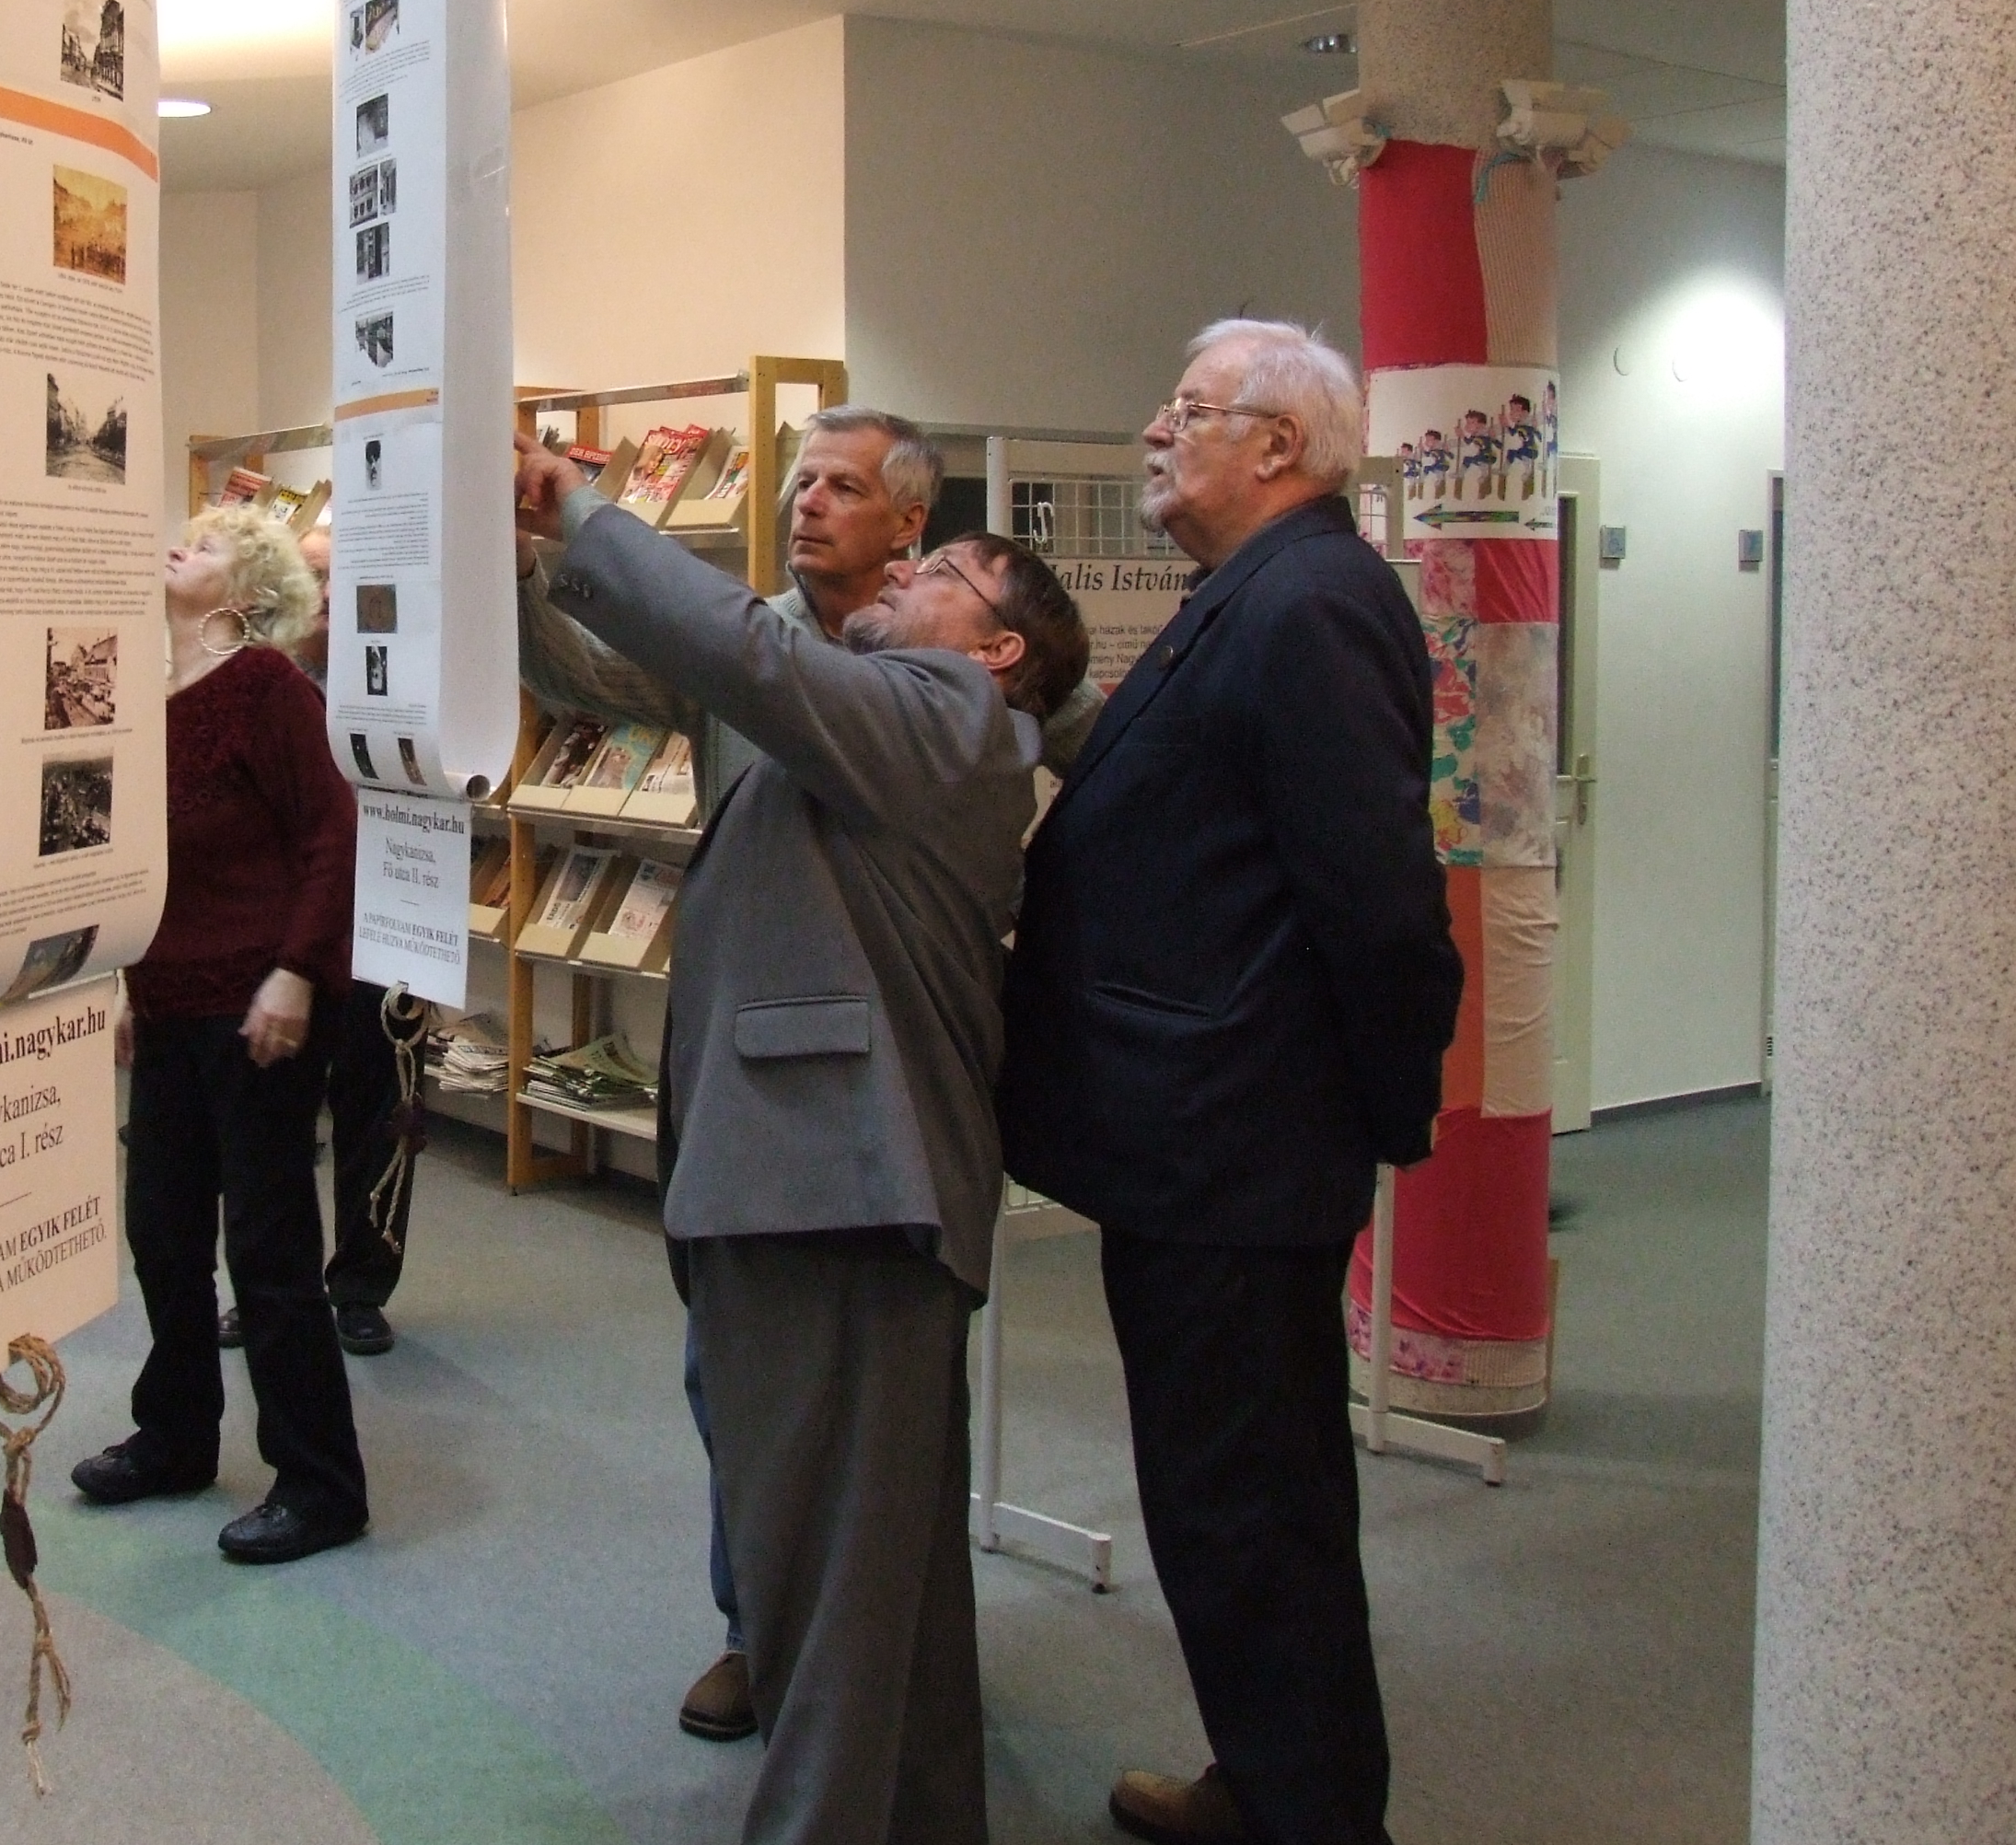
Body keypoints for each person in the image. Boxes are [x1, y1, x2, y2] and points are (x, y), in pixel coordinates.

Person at [512, 427, 1088, 1845]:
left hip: (840, 1186)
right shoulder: (901, 708)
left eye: (937, 571)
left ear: (996, 651)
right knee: (878, 1564)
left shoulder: (946, 717)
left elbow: (755, 660)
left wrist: (577, 506)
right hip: (816, 1180)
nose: (894, 574)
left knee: (818, 1581)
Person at [1002, 320, 1464, 1845]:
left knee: (1253, 1509)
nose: (1155, 429)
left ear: (1279, 446)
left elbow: (1379, 903)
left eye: (1189, 411)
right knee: (1225, 1499)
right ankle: (1267, 1783)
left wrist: (1375, 1110)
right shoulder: (1253, 594)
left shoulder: (1310, 603)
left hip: (1237, 1148)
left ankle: (1309, 1815)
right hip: (1200, 1140)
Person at [516, 404, 939, 1741]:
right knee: (735, 1370)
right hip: (735, 1056)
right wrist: (525, 568)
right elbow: (596, 683)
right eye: (801, 480)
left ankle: (858, 1642)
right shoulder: (745, 637)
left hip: (878, 1072)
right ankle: (755, 1625)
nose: (806, 502)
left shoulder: (928, 666)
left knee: (867, 1391)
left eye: (843, 487)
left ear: (910, 521)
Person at [72, 505, 372, 1564]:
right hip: (167, 1002)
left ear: (245, 594)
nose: (177, 546)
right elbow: (144, 868)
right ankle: (175, 1436)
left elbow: (332, 836)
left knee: (267, 1247)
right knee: (160, 1230)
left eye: (204, 546)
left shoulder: (268, 688)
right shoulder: (144, 696)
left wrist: (296, 972)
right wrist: (126, 983)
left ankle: (320, 1484)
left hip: (258, 1007)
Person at [214, 520, 413, 1357]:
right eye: (317, 576)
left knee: (381, 1108)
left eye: (347, 578)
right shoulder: (252, 684)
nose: (331, 594)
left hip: (384, 921)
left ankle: (361, 1286)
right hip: (281, 929)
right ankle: (267, 1284)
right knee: (269, 1120)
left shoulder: (402, 675)